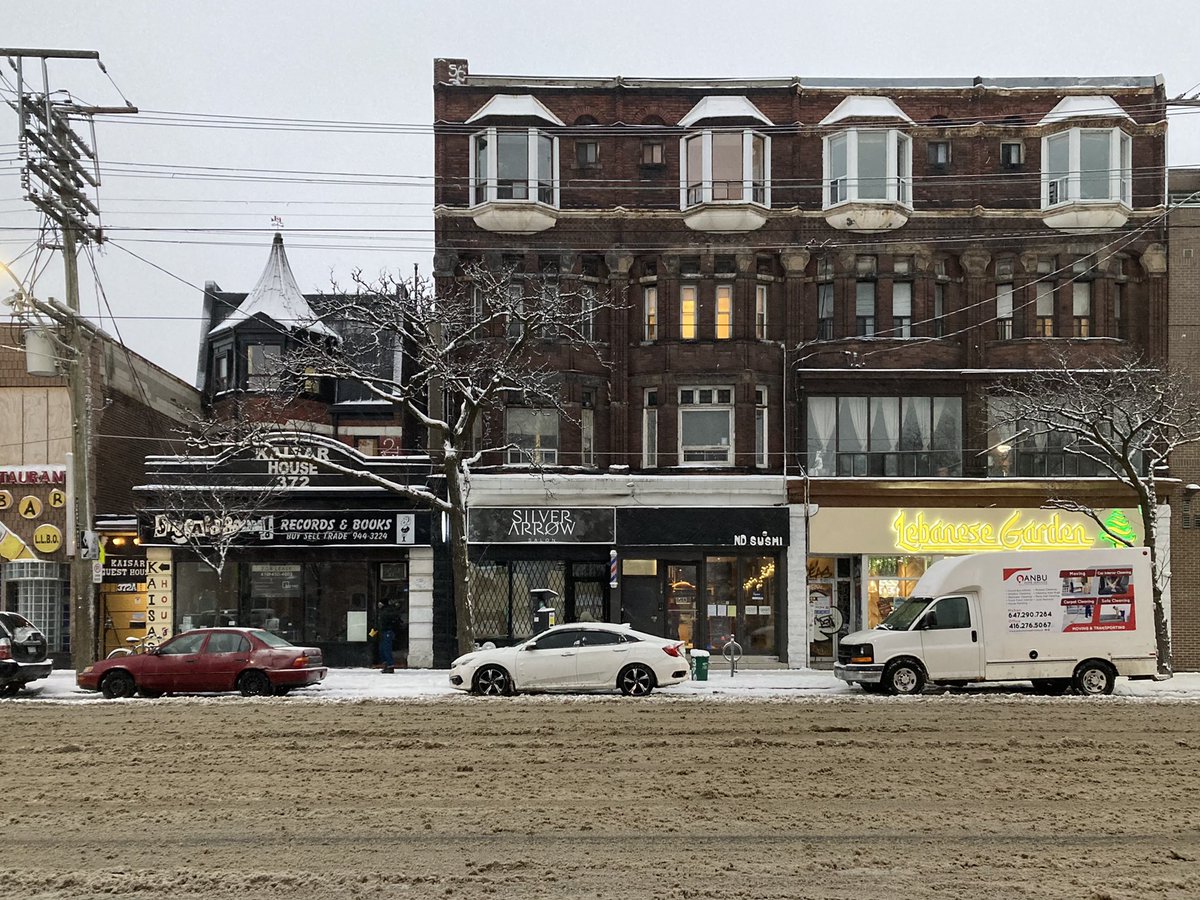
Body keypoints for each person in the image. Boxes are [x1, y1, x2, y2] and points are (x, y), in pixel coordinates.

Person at [377, 599, 400, 673]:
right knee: (382, 649)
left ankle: (390, 665)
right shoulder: (384, 611)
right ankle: (386, 664)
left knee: (386, 649)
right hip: (384, 632)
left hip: (387, 632)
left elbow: (384, 622)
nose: (379, 605)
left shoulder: (387, 612)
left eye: (380, 603)